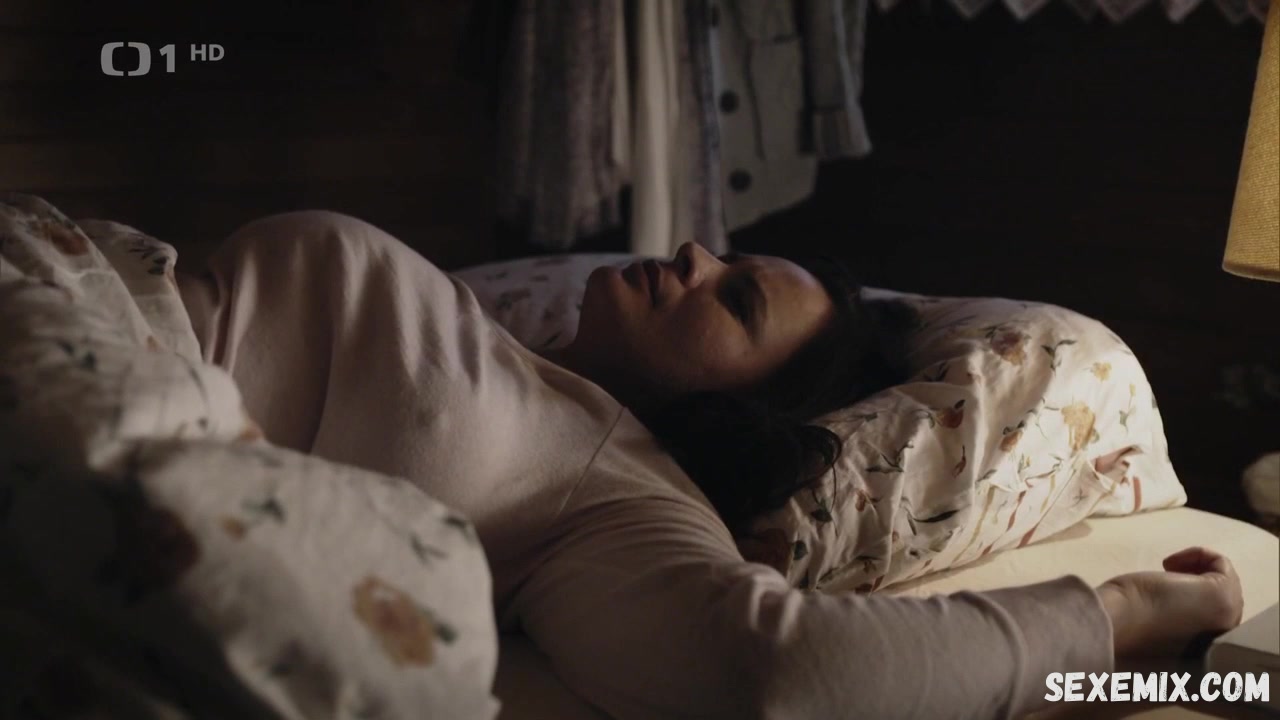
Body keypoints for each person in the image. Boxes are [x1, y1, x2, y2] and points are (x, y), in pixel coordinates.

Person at [178, 211, 1243, 720]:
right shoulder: (492, 342)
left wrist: (1120, 617)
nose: (692, 256)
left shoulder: (612, 486)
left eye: (734, 300)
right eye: (724, 261)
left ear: (755, 406)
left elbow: (774, 668)